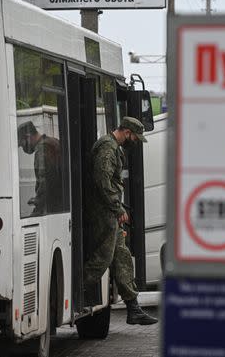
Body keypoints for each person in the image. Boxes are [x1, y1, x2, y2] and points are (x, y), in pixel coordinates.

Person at [83, 116, 158, 325]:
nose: (134, 141)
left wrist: (118, 207)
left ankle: (133, 309)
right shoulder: (107, 147)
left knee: (122, 257)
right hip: (104, 213)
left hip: (110, 211)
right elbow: (102, 180)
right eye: (134, 137)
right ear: (126, 132)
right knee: (103, 259)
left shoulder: (113, 146)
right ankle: (79, 290)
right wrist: (116, 207)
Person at [17, 121, 63, 216]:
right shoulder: (53, 141)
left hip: (53, 206)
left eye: (22, 144)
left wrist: (38, 201)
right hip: (60, 202)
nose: (23, 148)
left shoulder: (42, 149)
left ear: (28, 137)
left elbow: (45, 180)